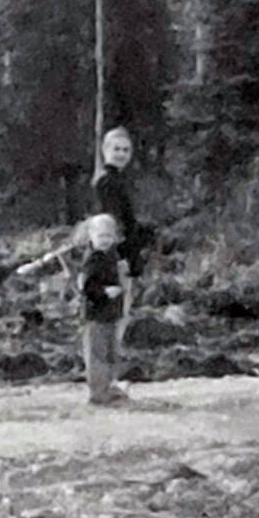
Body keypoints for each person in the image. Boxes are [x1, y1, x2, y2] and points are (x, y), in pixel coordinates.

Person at [78, 213, 129, 406]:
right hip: (95, 315)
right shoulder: (92, 259)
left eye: (108, 236)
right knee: (97, 355)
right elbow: (86, 287)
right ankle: (99, 393)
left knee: (109, 352)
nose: (105, 240)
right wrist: (105, 292)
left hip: (110, 314)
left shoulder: (111, 257)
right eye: (101, 236)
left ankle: (108, 387)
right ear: (91, 236)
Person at [91, 126, 150, 281]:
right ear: (105, 150)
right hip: (112, 250)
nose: (121, 154)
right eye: (116, 149)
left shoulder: (118, 179)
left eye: (126, 150)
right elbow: (111, 218)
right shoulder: (107, 181)